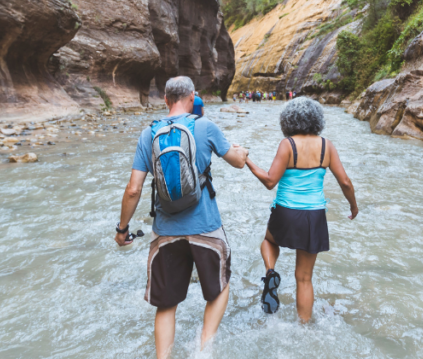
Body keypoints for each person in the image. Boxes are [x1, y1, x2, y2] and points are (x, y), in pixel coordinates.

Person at [115, 76, 249, 358]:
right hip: (206, 226)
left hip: (165, 230)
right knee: (220, 288)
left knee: (167, 304)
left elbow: (133, 189)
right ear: (192, 97)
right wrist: (241, 152)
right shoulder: (205, 126)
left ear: (165, 99)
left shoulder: (148, 134)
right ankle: (204, 347)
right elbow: (237, 162)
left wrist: (122, 228)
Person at [245, 97, 358, 322]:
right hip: (314, 216)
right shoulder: (327, 146)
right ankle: (304, 327)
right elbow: (345, 181)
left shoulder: (288, 144)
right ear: (317, 119)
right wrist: (353, 206)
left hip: (285, 212)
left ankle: (270, 272)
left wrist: (247, 160)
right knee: (304, 278)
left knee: (269, 241)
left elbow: (269, 181)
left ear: (288, 120)